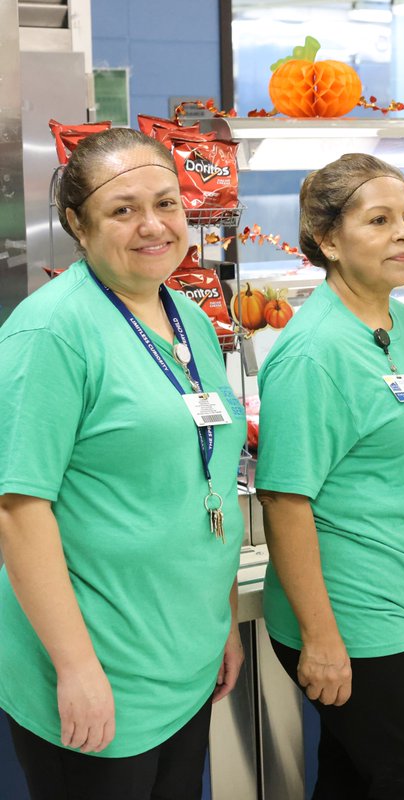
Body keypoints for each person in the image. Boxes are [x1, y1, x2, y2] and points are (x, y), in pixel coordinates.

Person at [0, 127, 245, 799]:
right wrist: (76, 668)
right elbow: (20, 511)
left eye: (166, 203)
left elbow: (210, 476)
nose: (152, 226)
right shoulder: (50, 333)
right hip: (98, 667)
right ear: (76, 223)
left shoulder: (188, 319)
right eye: (122, 209)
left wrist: (220, 618)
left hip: (183, 655)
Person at [255, 154, 404, 799]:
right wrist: (321, 640)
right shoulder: (315, 352)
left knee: (352, 780)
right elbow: (286, 499)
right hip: (349, 614)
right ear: (328, 240)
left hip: (393, 596)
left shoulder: (391, 319)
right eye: (378, 220)